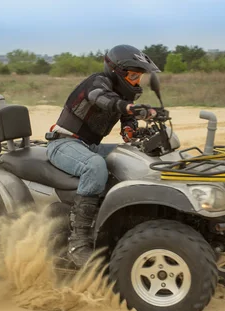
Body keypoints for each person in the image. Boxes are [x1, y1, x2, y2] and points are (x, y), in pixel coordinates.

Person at [46, 44, 160, 267]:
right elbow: (100, 98)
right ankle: (78, 243)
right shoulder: (97, 83)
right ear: (116, 71)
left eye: (140, 77)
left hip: (88, 146)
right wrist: (128, 108)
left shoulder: (123, 96)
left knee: (136, 155)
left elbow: (127, 123)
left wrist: (134, 131)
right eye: (134, 75)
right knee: (95, 166)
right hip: (64, 143)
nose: (137, 82)